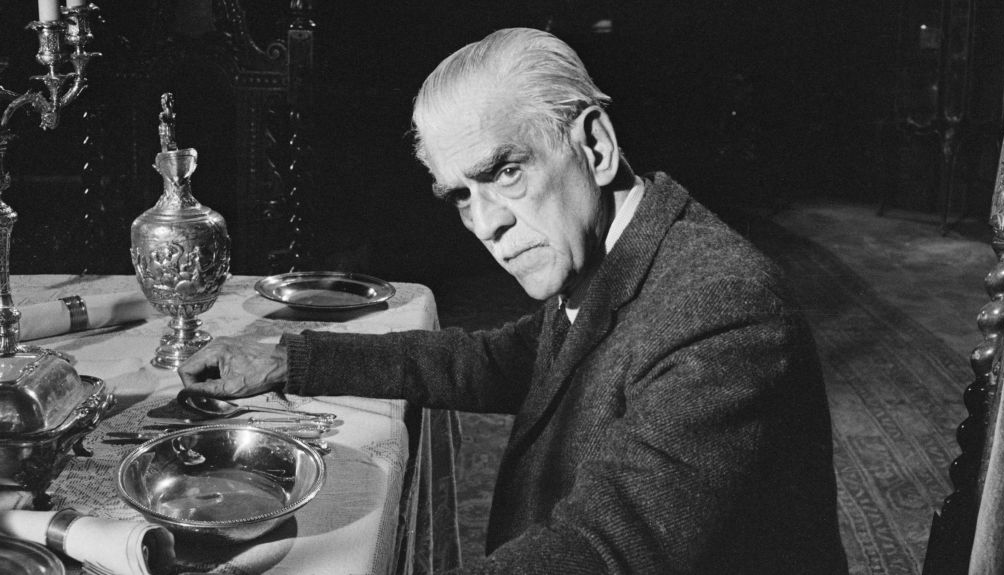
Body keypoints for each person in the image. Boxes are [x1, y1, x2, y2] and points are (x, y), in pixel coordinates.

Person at [179, 27, 848, 574]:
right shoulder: (619, 254)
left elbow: (605, 552)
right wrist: (287, 361)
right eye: (462, 195)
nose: (486, 223)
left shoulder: (720, 307)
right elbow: (498, 359)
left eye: (505, 171)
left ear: (596, 144)